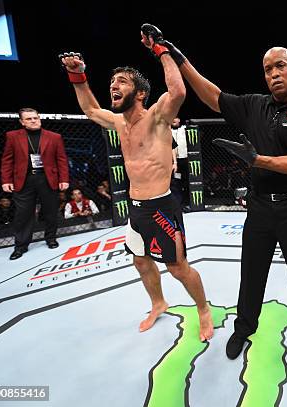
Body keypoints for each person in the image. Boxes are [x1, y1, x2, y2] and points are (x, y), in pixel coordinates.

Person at [145, 24, 287, 368]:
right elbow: (211, 95)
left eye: (280, 66)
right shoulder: (254, 106)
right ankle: (244, 327)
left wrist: (258, 160)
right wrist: (174, 54)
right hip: (260, 208)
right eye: (267, 69)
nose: (274, 73)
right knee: (252, 272)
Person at [59, 24, 213, 341]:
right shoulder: (117, 122)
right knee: (141, 262)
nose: (114, 86)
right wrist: (78, 76)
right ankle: (158, 303)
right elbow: (89, 108)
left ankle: (203, 309)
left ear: (140, 93)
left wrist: (160, 49)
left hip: (163, 207)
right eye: (112, 82)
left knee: (178, 268)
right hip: (136, 208)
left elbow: (179, 92)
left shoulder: (156, 116)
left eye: (122, 82)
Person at [1, 108, 70, 260]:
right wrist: (6, 180)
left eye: (35, 118)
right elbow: (7, 160)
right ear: (22, 122)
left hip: (47, 179)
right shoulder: (12, 136)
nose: (33, 121)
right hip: (24, 180)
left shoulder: (54, 137)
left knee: (50, 211)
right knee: (23, 214)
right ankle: (21, 246)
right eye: (29, 119)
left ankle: (51, 238)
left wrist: (64, 179)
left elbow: (61, 159)